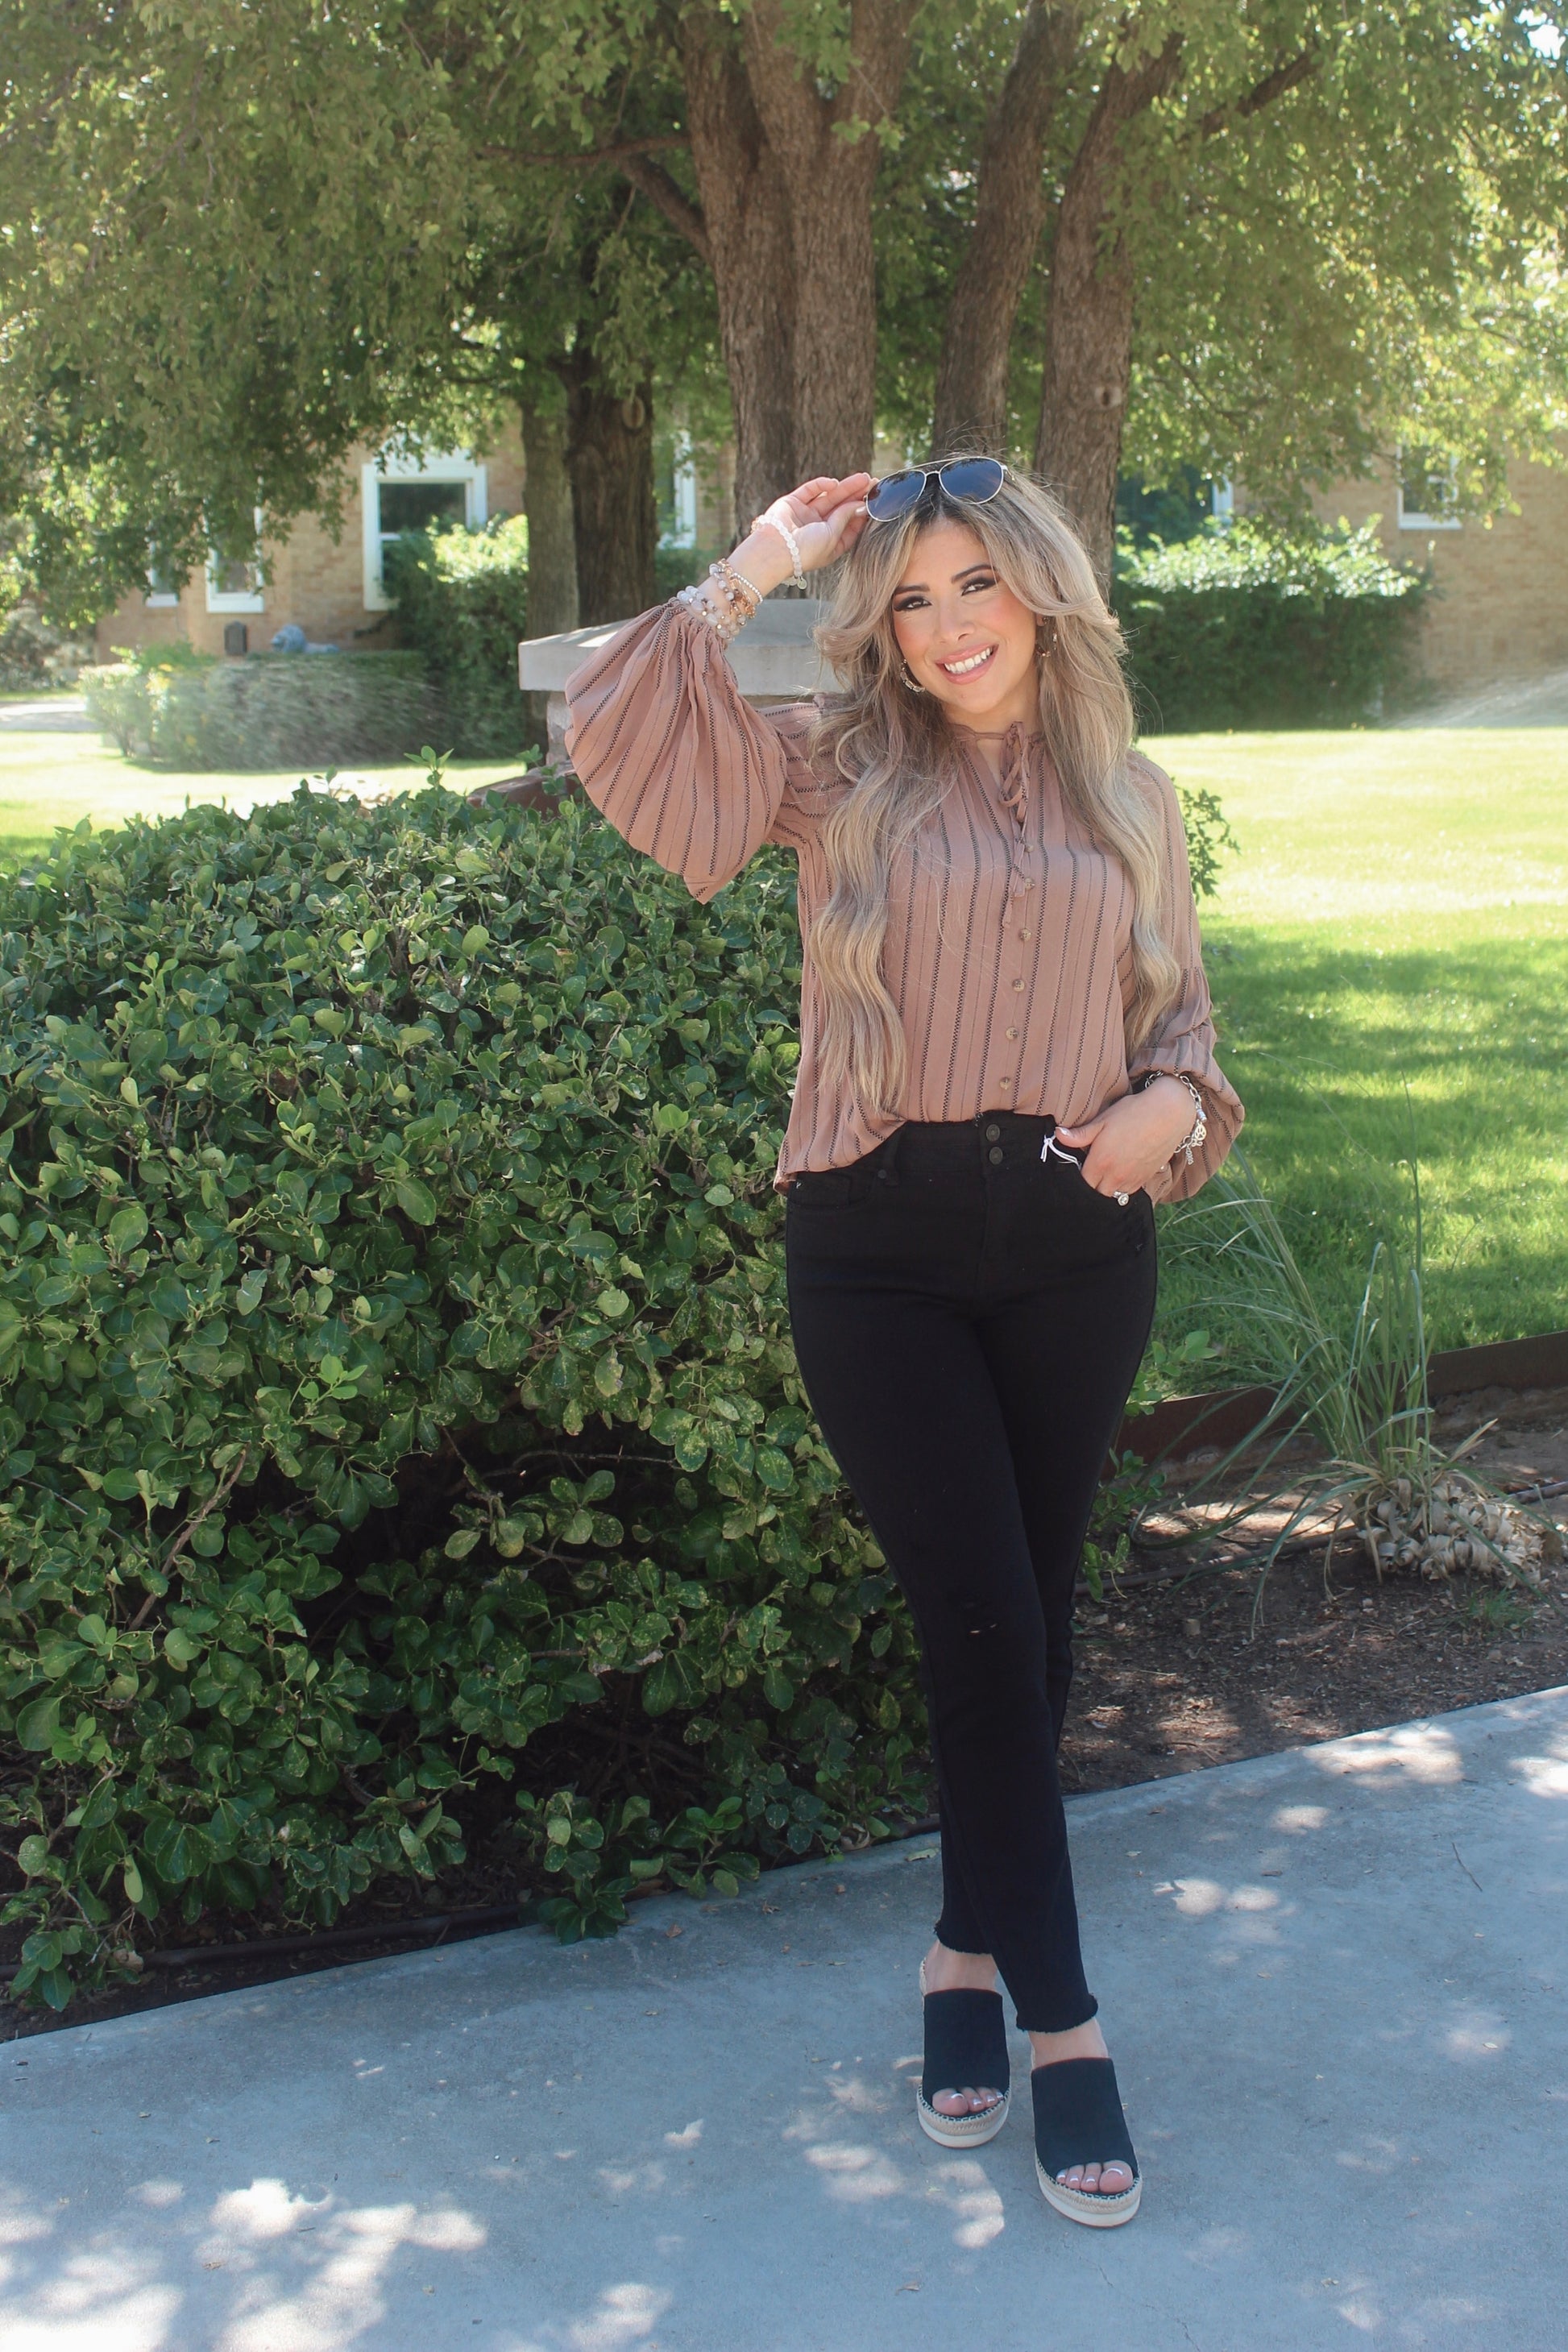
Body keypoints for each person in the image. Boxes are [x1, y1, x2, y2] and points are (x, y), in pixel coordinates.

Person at [563, 458, 1242, 2230]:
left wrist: (1169, 1111)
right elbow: (617, 739)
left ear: (1043, 592)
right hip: (880, 1252)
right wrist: (755, 565)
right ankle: (1064, 2022)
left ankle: (958, 1949)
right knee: (983, 1624)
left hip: (1077, 1249)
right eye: (914, 598)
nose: (947, 630)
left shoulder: (1134, 799)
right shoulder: (835, 765)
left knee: (1030, 1622)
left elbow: (1180, 1024)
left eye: (976, 587)